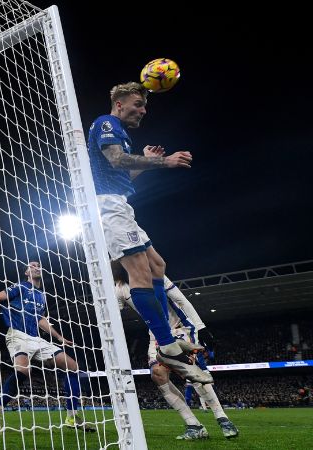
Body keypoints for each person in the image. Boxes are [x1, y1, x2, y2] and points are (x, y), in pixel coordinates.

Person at [87, 81, 210, 384]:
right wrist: (162, 161)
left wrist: (143, 160)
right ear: (119, 104)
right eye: (138, 105)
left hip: (120, 205)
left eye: (144, 107)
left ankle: (167, 336)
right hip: (107, 208)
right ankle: (166, 345)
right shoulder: (106, 123)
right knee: (140, 273)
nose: (142, 111)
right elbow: (115, 159)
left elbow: (121, 173)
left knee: (157, 266)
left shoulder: (122, 134)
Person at [112, 261, 239, 440]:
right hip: (155, 335)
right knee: (157, 374)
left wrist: (201, 327)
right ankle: (194, 425)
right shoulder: (119, 288)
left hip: (180, 329)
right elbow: (114, 316)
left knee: (193, 374)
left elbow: (180, 300)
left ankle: (222, 418)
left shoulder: (154, 274)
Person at [0, 261, 95, 433]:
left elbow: (40, 319)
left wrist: (59, 337)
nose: (37, 267)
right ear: (26, 272)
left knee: (72, 366)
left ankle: (72, 416)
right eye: (32, 265)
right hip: (17, 334)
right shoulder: (20, 287)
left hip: (35, 338)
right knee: (24, 371)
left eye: (39, 265)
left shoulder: (42, 295)